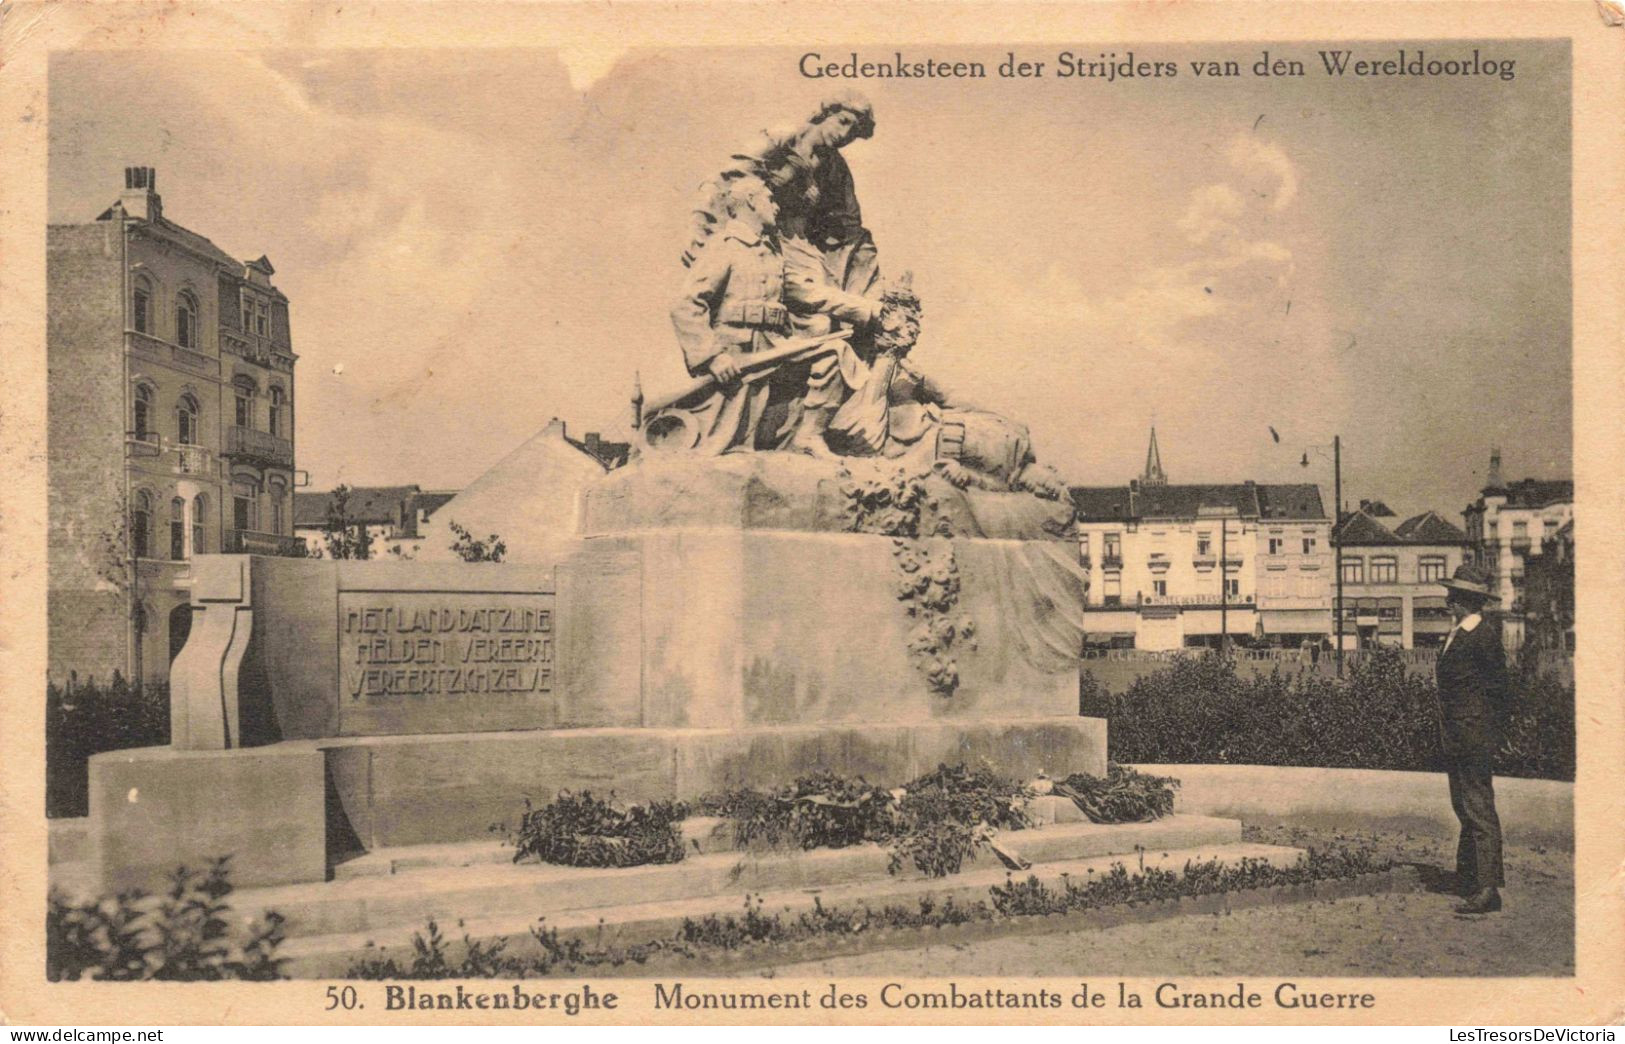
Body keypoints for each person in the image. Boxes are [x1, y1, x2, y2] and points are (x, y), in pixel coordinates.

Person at [669, 176, 881, 456]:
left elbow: (805, 292)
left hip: (775, 346)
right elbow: (686, 304)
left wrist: (867, 309)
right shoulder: (725, 245)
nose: (776, 207)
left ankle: (809, 436)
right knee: (723, 443)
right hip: (738, 353)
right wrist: (712, 357)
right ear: (750, 202)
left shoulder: (771, 253)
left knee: (834, 352)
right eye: (769, 199)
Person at [1434, 562, 1512, 914]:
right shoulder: (1460, 632)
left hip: (1473, 736)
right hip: (1457, 735)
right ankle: (1469, 879)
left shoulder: (1481, 636)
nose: (1448, 600)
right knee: (1464, 806)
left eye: (1453, 595)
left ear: (1465, 601)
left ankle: (1488, 888)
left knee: (1479, 810)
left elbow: (1499, 691)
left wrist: (1488, 735)